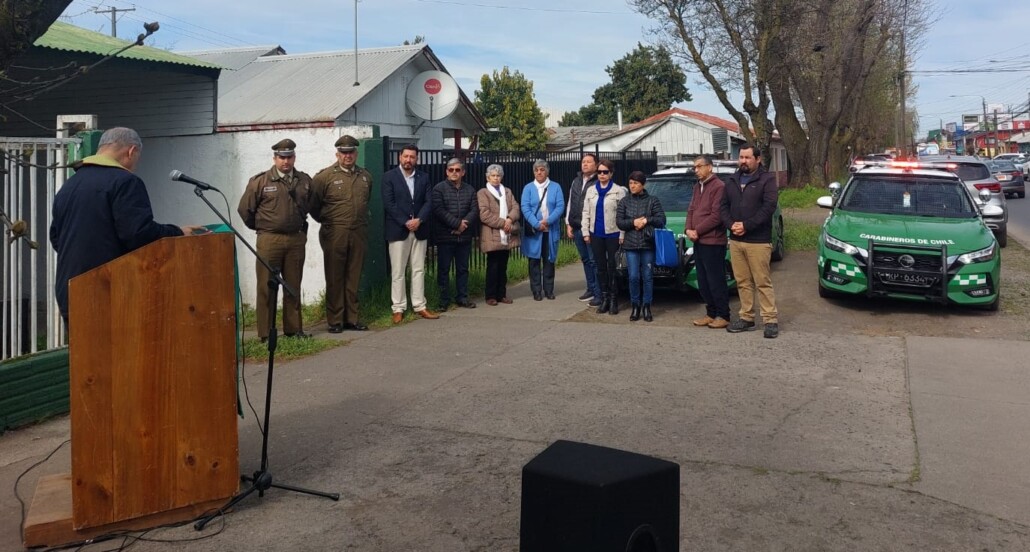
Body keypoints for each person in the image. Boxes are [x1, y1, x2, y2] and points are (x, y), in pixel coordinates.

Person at [50, 127, 205, 323]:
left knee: (84, 353)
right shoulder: (125, 182)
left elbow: (56, 238)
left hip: (70, 290)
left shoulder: (69, 186)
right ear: (131, 151)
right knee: (116, 353)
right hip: (110, 289)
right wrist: (177, 232)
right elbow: (138, 234)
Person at [238, 138, 313, 340]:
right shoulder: (260, 181)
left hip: (295, 240)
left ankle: (294, 330)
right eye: (281, 157)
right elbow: (245, 210)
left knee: (293, 286)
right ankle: (265, 333)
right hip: (269, 240)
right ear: (274, 158)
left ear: (294, 157)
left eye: (289, 157)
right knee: (266, 287)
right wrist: (264, 228)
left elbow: (310, 206)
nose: (285, 162)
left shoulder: (304, 180)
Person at [310, 135, 372, 333]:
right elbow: (313, 205)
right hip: (335, 232)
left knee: (353, 276)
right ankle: (335, 320)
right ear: (337, 154)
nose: (348, 156)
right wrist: (327, 221)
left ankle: (351, 318)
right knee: (335, 276)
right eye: (344, 152)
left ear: (356, 153)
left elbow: (366, 201)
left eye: (351, 152)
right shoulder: (324, 177)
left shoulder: (365, 176)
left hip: (358, 232)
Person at [720, 145, 780, 338]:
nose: (743, 161)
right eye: (741, 157)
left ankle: (770, 320)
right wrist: (731, 225)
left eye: (747, 157)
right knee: (743, 281)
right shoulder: (731, 180)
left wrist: (746, 225)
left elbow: (769, 207)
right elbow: (723, 206)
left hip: (758, 240)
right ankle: (746, 317)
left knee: (762, 281)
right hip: (736, 240)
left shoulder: (767, 179)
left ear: (758, 159)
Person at [382, 144, 439, 324]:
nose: (408, 160)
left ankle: (420, 305)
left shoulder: (424, 177)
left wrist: (419, 220)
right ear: (400, 157)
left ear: (417, 159)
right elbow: (389, 204)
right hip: (399, 230)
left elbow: (429, 202)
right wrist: (406, 222)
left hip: (419, 229)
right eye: (406, 156)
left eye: (412, 157)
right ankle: (398, 308)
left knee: (418, 269)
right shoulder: (389, 177)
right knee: (398, 271)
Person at [686, 155, 730, 329]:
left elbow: (717, 216)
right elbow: (691, 209)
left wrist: (698, 230)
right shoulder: (697, 186)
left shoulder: (719, 187)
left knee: (715, 279)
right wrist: (688, 229)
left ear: (710, 167)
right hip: (698, 241)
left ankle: (723, 314)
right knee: (703, 280)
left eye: (699, 166)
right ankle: (710, 313)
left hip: (713, 241)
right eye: (694, 167)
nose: (696, 170)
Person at [616, 171, 666, 322]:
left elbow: (661, 219)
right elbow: (619, 222)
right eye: (630, 183)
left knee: (648, 276)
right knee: (633, 277)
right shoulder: (624, 201)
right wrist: (633, 222)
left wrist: (646, 220)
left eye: (636, 183)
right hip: (630, 245)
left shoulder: (653, 200)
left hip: (647, 244)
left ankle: (647, 305)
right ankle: (635, 305)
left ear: (642, 184)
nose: (632, 186)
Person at [431, 158, 480, 310]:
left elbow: (474, 210)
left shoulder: (470, 189)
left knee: (463, 269)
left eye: (457, 170)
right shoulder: (439, 189)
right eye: (451, 169)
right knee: (444, 269)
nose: (454, 173)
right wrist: (456, 224)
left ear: (463, 172)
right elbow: (439, 210)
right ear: (446, 171)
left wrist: (463, 225)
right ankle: (443, 300)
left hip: (464, 236)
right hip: (446, 235)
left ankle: (462, 297)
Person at [581, 158, 627, 315]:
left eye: (605, 172)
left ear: (611, 173)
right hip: (596, 234)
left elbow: (623, 214)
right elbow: (586, 212)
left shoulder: (618, 191)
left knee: (612, 267)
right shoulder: (591, 191)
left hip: (613, 233)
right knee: (600, 268)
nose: (602, 175)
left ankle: (614, 299)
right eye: (599, 172)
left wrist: (622, 233)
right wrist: (585, 232)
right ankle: (605, 298)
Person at [476, 164, 521, 306]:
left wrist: (509, 219)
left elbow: (515, 207)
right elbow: (484, 214)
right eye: (493, 176)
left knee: (503, 266)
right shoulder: (483, 193)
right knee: (493, 266)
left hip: (506, 235)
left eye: (498, 175)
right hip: (492, 234)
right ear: (488, 177)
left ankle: (502, 294)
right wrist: (503, 224)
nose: (496, 178)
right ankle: (490, 295)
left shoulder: (507, 191)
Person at [520, 160, 565, 301]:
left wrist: (547, 221)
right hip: (534, 231)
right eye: (536, 170)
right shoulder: (528, 188)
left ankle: (549, 290)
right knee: (534, 261)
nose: (539, 172)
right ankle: (536, 290)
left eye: (542, 169)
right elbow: (525, 207)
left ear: (547, 171)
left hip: (550, 231)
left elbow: (560, 206)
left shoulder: (556, 187)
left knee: (549, 260)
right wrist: (536, 223)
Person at [565, 153, 602, 306]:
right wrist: (568, 223)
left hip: (591, 228)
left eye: (588, 162)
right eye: (583, 162)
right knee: (585, 260)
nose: (585, 164)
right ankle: (591, 288)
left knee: (594, 261)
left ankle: (599, 293)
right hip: (576, 226)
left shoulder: (598, 181)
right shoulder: (576, 181)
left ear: (596, 164)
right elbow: (570, 202)